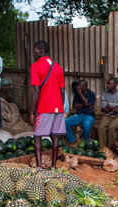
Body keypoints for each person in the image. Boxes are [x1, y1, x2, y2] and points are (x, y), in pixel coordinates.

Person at [29, 40, 66, 168]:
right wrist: (61, 108)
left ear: (40, 50)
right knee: (55, 137)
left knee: (37, 136)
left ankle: (39, 166)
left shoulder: (35, 66)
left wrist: (32, 111)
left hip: (45, 107)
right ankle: (54, 166)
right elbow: (62, 91)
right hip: (58, 108)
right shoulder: (58, 67)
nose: (33, 53)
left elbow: (35, 91)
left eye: (34, 50)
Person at [65, 80, 96, 144]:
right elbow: (74, 106)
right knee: (65, 123)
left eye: (79, 85)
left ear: (85, 87)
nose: (78, 87)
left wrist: (80, 94)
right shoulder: (76, 94)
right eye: (77, 85)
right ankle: (72, 140)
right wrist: (85, 104)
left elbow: (86, 103)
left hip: (89, 115)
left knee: (86, 126)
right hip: (78, 115)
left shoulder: (91, 94)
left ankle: (85, 143)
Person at [97, 78, 118, 149]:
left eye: (110, 84)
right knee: (101, 127)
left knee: (111, 127)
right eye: (107, 84)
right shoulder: (105, 94)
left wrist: (110, 108)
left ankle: (110, 148)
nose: (107, 85)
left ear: (115, 85)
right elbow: (103, 109)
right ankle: (103, 148)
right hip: (108, 115)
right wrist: (114, 109)